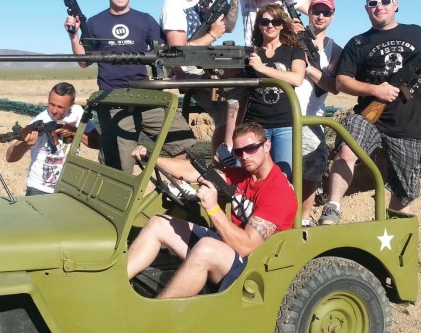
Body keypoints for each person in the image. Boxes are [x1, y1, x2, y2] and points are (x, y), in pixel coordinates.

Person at [318, 0, 421, 225]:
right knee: (347, 150)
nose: (380, 7)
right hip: (369, 116)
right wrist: (374, 89)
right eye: (373, 3)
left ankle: (392, 224)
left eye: (385, 2)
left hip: (408, 121)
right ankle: (333, 207)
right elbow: (342, 81)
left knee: (405, 187)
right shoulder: (358, 43)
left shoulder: (417, 33)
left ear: (396, 5)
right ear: (367, 9)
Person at [127, 122, 297, 298]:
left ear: (267, 146)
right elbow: (193, 172)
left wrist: (213, 208)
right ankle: (116, 289)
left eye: (251, 148)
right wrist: (153, 158)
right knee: (158, 223)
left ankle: (154, 314)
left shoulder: (278, 192)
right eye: (238, 152)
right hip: (229, 250)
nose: (245, 156)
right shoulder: (244, 174)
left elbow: (245, 247)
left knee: (206, 248)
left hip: (255, 267)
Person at [64, 0, 196, 173]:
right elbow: (84, 62)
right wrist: (73, 36)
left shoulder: (145, 20)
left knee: (184, 143)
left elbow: (164, 53)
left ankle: (174, 193)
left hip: (146, 95)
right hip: (113, 100)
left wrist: (177, 71)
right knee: (120, 166)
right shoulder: (95, 23)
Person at [160, 0, 248, 161]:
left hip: (208, 63)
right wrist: (211, 35)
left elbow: (228, 25)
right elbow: (178, 52)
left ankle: (226, 157)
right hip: (187, 70)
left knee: (245, 87)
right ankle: (222, 160)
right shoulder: (173, 4)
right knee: (226, 114)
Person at [292, 0, 343, 226]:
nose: (320, 16)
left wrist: (309, 67)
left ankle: (302, 220)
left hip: (312, 118)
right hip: (285, 116)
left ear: (333, 16)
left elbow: (333, 86)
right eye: (316, 11)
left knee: (310, 173)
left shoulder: (335, 49)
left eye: (326, 12)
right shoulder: (292, 39)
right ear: (309, 13)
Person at [244, 4, 306, 180]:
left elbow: (296, 79)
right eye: (265, 21)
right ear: (259, 25)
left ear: (282, 25)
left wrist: (262, 68)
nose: (270, 25)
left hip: (285, 124)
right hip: (256, 125)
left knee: (284, 176)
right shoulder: (251, 53)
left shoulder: (295, 51)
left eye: (276, 21)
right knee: (254, 176)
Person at [6, 82, 99, 195]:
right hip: (39, 189)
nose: (54, 110)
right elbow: (10, 157)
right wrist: (26, 144)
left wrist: (75, 133)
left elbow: (98, 143)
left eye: (60, 107)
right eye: (51, 104)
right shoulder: (38, 122)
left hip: (70, 187)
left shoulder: (78, 113)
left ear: (71, 105)